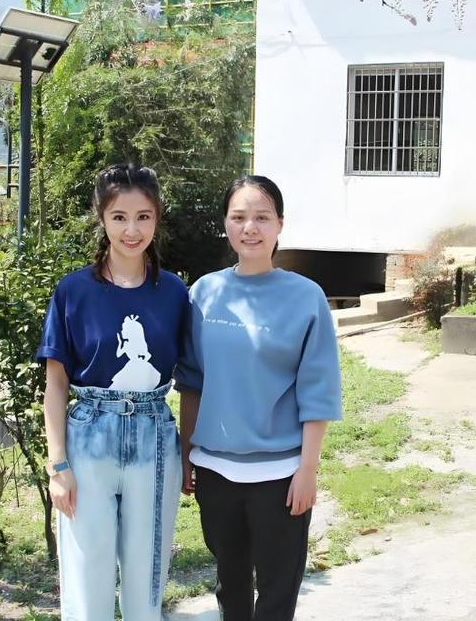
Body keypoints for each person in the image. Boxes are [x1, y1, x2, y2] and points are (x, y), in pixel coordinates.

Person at [176, 175, 342, 621]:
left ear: (280, 224)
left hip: (281, 476)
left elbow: (318, 391)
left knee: (276, 592)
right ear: (226, 225)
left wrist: (307, 471)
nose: (250, 227)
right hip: (215, 472)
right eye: (239, 217)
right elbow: (191, 383)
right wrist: (186, 455)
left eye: (262, 217)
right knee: (230, 587)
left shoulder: (306, 297)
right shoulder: (203, 293)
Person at [37, 163, 187, 621]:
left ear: (157, 218)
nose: (131, 230)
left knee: (147, 578)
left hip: (154, 437)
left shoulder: (174, 292)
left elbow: (192, 377)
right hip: (89, 438)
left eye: (143, 216)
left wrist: (191, 452)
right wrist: (58, 465)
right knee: (87, 576)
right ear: (102, 218)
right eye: (119, 217)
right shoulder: (73, 291)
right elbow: (55, 383)